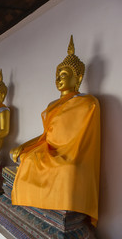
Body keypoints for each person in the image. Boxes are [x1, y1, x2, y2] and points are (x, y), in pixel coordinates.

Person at [10, 36, 100, 226]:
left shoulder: (88, 103)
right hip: (47, 150)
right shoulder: (52, 105)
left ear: (79, 77)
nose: (58, 78)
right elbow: (46, 136)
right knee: (21, 156)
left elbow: (82, 144)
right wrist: (23, 146)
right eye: (57, 74)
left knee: (69, 170)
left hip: (70, 156)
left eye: (64, 74)